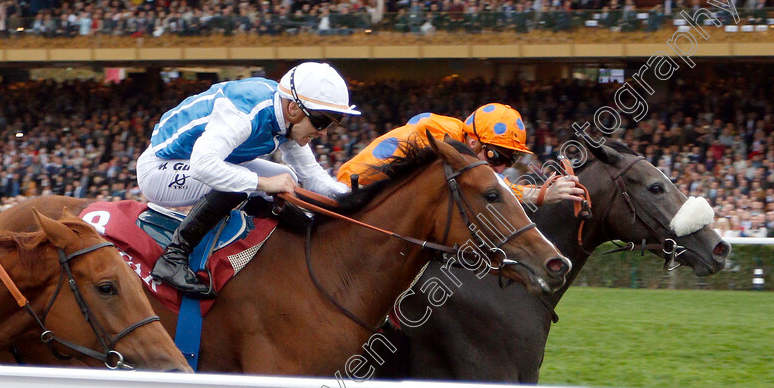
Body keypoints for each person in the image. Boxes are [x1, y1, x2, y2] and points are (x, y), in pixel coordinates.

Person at [136, 62, 359, 296]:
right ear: (293, 108)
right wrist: (262, 184)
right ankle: (174, 256)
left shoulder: (286, 115)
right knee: (249, 181)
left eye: (331, 124)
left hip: (194, 164)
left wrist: (356, 200)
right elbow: (203, 166)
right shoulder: (244, 113)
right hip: (160, 169)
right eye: (321, 122)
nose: (324, 133)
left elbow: (312, 177)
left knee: (286, 177)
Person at [336, 103, 584, 206]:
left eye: (512, 160)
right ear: (474, 143)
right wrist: (543, 194)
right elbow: (499, 187)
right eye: (497, 157)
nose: (501, 167)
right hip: (352, 198)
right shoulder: (446, 141)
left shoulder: (460, 138)